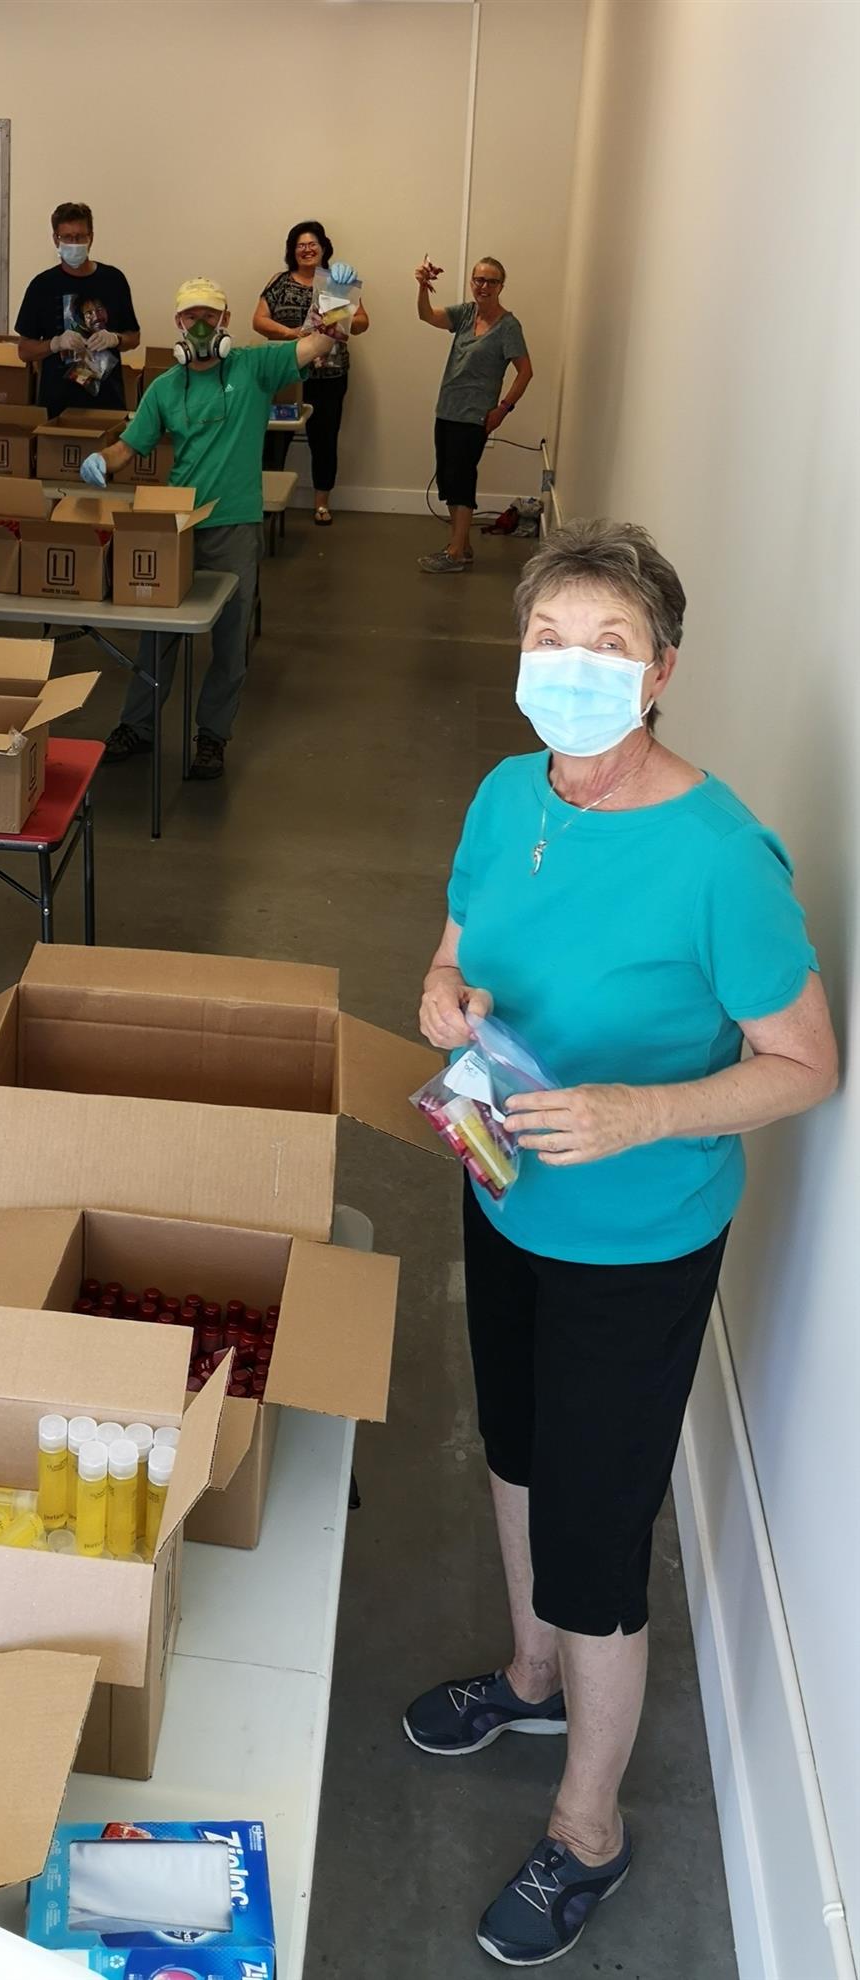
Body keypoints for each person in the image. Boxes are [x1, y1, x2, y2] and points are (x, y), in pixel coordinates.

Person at [406, 521, 837, 1967]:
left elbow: (805, 1064)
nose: (572, 668)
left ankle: (586, 1828)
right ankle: (529, 1677)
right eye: (549, 639)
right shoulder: (503, 791)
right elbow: (455, 945)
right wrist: (441, 995)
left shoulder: (717, 858)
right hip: (501, 1187)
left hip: (634, 1244)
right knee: (514, 1449)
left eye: (608, 646)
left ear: (659, 673)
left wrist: (644, 1110)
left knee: (594, 1536)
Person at [83, 278, 339, 781]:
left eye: (209, 315)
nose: (200, 325)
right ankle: (137, 725)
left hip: (234, 523)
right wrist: (100, 461)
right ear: (178, 323)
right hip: (177, 526)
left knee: (230, 638)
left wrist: (338, 301)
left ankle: (213, 736)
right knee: (158, 635)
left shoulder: (254, 367)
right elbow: (129, 446)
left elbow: (319, 345)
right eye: (190, 316)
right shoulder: (164, 387)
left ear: (225, 320)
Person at [414, 255, 532, 573]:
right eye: (479, 280)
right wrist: (423, 286)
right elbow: (427, 315)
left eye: (492, 281)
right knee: (449, 480)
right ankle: (462, 545)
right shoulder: (466, 313)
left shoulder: (508, 327)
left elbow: (525, 372)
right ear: (472, 282)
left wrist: (503, 409)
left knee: (462, 479)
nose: (484, 286)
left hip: (475, 416)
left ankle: (455, 553)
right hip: (447, 410)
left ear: (501, 286)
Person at [253, 221, 368, 523]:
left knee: (325, 439)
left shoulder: (337, 282)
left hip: (329, 376)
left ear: (323, 247)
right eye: (300, 245)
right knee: (274, 440)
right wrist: (293, 335)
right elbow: (259, 321)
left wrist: (339, 315)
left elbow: (362, 323)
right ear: (292, 251)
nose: (306, 249)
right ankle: (266, 501)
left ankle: (321, 504)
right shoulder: (279, 281)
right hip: (285, 374)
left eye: (312, 244)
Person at [14, 202, 141, 419]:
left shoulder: (114, 280)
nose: (74, 243)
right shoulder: (42, 286)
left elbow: (134, 337)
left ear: (91, 237)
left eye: (80, 237)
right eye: (67, 237)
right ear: (56, 239)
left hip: (107, 405)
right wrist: (55, 344)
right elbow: (24, 351)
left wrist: (116, 339)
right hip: (57, 409)